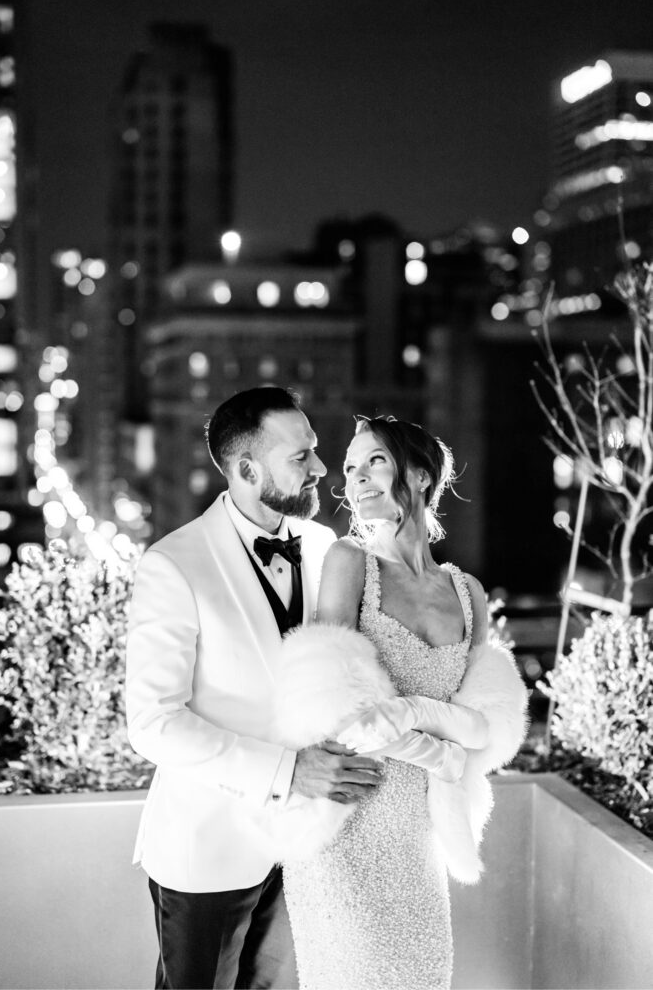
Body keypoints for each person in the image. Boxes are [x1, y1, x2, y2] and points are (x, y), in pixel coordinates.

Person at [125, 387, 384, 990]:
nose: (322, 469)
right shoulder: (174, 564)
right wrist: (287, 771)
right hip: (208, 853)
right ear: (247, 469)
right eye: (301, 458)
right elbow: (153, 723)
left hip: (309, 850)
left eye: (316, 451)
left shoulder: (329, 550)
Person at [281, 415, 527, 990]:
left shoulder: (468, 594)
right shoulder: (349, 562)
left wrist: (427, 725)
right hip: (349, 818)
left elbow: (485, 725)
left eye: (375, 462)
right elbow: (334, 706)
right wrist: (442, 755)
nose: (356, 478)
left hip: (422, 835)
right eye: (349, 467)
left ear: (418, 475)